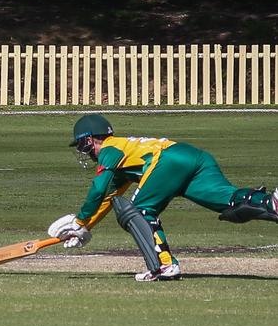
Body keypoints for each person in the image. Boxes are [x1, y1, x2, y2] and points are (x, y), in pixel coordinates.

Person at [47, 114, 278, 281]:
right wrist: (85, 226)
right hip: (193, 157)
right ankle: (271, 203)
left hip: (168, 159)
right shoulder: (124, 159)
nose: (83, 152)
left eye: (81, 145)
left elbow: (98, 189)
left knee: (138, 211)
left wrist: (78, 221)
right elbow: (108, 198)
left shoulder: (110, 148)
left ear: (90, 140)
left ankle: (164, 265)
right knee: (229, 202)